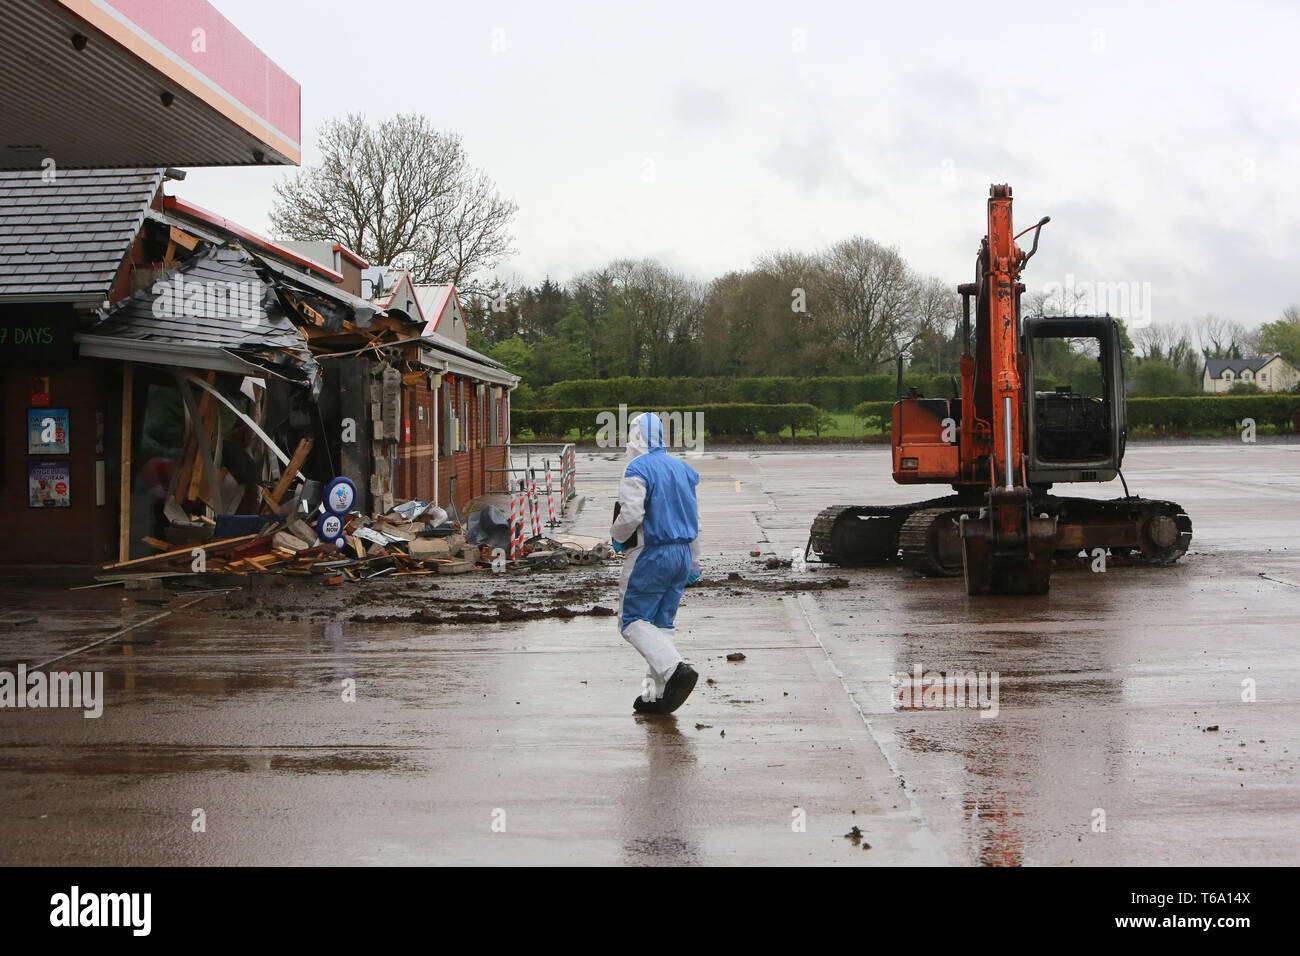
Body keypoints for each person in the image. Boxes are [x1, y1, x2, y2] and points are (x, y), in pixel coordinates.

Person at [611, 412, 701, 714]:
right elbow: (694, 520)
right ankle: (656, 694)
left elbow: (632, 515)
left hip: (651, 552)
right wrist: (695, 562)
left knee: (632, 620)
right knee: (662, 623)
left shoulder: (637, 468)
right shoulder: (683, 469)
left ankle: (675, 669)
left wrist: (617, 535)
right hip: (682, 554)